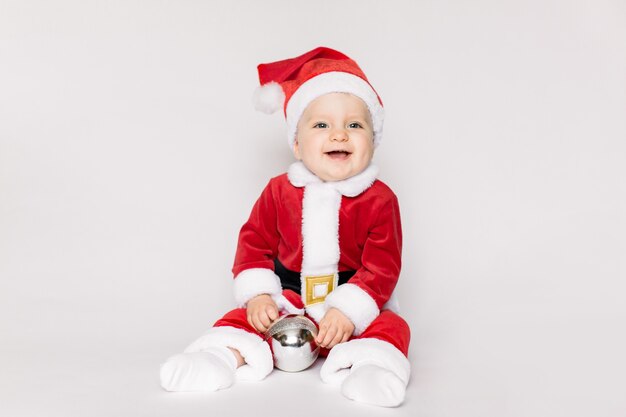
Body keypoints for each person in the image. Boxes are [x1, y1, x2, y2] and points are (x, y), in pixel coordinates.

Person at [160, 47, 411, 407]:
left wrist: (348, 310)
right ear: (296, 142)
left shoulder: (380, 199)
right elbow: (254, 244)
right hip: (289, 297)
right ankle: (216, 359)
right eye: (321, 125)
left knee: (392, 326)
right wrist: (260, 295)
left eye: (354, 125)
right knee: (246, 319)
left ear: (373, 141)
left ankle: (372, 370)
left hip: (352, 294)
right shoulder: (279, 191)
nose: (339, 135)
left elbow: (382, 266)